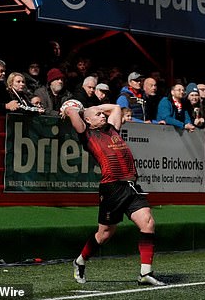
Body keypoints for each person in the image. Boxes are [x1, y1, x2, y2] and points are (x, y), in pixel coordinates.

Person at [62, 101, 166, 287]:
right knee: (105, 235)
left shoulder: (113, 129)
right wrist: (76, 109)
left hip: (131, 186)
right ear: (87, 120)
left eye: (103, 114)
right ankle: (80, 261)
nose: (103, 115)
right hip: (112, 189)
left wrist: (95, 107)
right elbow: (71, 111)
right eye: (98, 115)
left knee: (148, 223)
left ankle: (145, 273)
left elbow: (116, 108)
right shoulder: (86, 134)